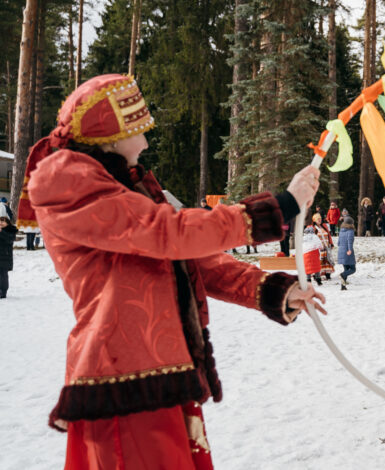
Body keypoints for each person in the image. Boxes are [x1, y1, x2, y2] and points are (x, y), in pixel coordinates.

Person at [18, 74, 326, 468]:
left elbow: (190, 258)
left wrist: (270, 289)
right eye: (138, 131)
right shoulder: (69, 183)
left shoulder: (120, 187)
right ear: (110, 136)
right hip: (122, 379)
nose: (145, 143)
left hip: (157, 373)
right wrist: (278, 207)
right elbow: (168, 232)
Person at [308, 213, 335, 283]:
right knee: (319, 261)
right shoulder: (312, 227)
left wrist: (331, 243)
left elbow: (329, 235)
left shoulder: (324, 226)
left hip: (326, 246)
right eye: (318, 219)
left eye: (320, 219)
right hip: (318, 248)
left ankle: (327, 274)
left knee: (327, 260)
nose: (319, 220)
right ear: (314, 220)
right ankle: (316, 274)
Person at [0, 204, 17, 299]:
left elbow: (10, 240)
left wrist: (1, 232)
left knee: (3, 275)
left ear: (7, 222)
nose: (0, 223)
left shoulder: (10, 230)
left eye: (3, 221)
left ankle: (3, 291)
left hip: (5, 257)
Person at [337, 215, 356, 290]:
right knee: (353, 269)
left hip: (341, 251)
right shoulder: (350, 231)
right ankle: (342, 275)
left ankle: (343, 286)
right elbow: (349, 242)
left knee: (346, 269)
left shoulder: (341, 231)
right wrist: (350, 250)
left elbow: (338, 243)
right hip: (347, 251)